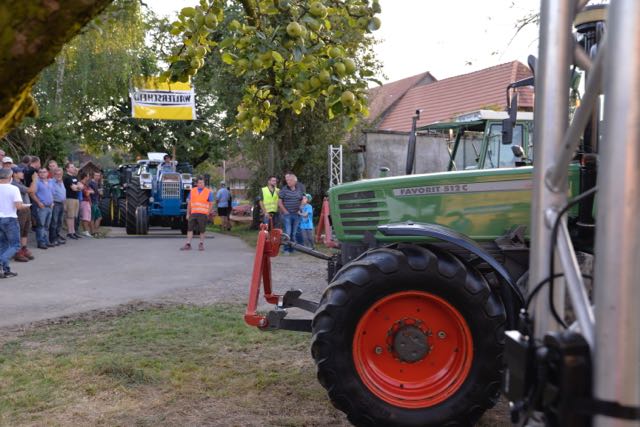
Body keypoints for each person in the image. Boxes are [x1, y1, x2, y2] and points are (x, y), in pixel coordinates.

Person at [0, 168, 24, 278]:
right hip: (10, 218)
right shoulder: (14, 188)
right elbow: (18, 206)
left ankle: (5, 270)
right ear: (10, 177)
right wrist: (24, 206)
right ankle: (2, 261)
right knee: (15, 245)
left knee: (3, 244)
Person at [181, 176, 214, 251]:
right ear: (197, 183)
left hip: (203, 214)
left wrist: (208, 213)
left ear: (204, 183)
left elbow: (211, 204)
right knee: (190, 229)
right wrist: (187, 214)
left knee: (202, 230)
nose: (201, 184)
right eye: (199, 183)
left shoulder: (208, 192)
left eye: (202, 183)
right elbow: (189, 203)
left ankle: (201, 244)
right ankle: (188, 244)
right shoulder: (192, 191)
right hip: (193, 213)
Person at [11, 166, 34, 262]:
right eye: (20, 172)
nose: (23, 174)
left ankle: (23, 248)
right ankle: (17, 251)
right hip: (20, 210)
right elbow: (30, 190)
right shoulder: (14, 184)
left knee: (25, 230)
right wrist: (34, 180)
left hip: (26, 208)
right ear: (14, 174)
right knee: (19, 230)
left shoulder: (20, 183)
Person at [278, 173, 305, 254]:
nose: (288, 182)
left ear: (295, 181)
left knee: (294, 233)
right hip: (287, 215)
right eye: (287, 180)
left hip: (296, 214)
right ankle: (286, 249)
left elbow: (303, 199)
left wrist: (300, 207)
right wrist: (285, 211)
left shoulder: (299, 190)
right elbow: (279, 203)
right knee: (288, 232)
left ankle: (292, 249)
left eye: (290, 180)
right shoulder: (284, 190)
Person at [30, 167, 55, 249]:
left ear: (47, 173)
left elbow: (52, 193)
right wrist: (38, 202)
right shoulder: (36, 182)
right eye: (40, 172)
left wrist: (52, 202)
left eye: (44, 172)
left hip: (50, 206)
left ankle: (46, 241)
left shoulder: (51, 181)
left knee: (47, 226)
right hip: (41, 207)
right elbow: (32, 194)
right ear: (38, 174)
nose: (42, 173)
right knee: (41, 225)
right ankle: (41, 242)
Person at [63, 162, 82, 239]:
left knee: (73, 216)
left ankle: (73, 231)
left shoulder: (74, 177)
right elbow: (74, 188)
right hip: (69, 198)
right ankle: (70, 232)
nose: (73, 168)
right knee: (70, 216)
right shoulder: (67, 177)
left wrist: (78, 187)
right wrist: (78, 187)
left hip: (75, 198)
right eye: (71, 167)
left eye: (73, 167)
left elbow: (81, 186)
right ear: (67, 169)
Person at [49, 167, 66, 246]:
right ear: (53, 174)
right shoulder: (51, 182)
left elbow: (63, 194)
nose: (58, 175)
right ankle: (52, 239)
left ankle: (57, 237)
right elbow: (50, 193)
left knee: (59, 222)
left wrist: (64, 204)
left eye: (60, 174)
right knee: (54, 222)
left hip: (61, 203)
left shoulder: (61, 182)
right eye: (56, 174)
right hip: (55, 203)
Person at [78, 172, 94, 238]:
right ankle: (85, 231)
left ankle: (87, 231)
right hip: (84, 202)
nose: (89, 177)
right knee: (85, 217)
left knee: (87, 217)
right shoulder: (81, 184)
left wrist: (89, 191)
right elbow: (86, 193)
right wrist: (89, 191)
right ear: (85, 177)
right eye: (88, 176)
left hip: (87, 202)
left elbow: (92, 191)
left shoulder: (86, 184)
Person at [89, 171, 102, 236]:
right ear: (93, 176)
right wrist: (90, 202)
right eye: (96, 175)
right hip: (92, 202)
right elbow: (89, 193)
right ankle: (93, 232)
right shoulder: (90, 183)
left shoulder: (98, 183)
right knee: (92, 218)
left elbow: (101, 193)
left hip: (96, 202)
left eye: (98, 175)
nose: (97, 177)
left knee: (99, 217)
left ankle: (96, 231)